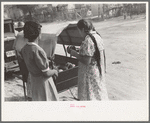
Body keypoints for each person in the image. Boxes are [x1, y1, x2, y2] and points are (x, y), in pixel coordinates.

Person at [67, 19, 109, 101]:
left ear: (82, 29)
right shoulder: (97, 36)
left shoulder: (88, 40)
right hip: (97, 71)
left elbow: (87, 61)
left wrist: (75, 54)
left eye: (79, 30)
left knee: (90, 96)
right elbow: (93, 53)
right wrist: (80, 50)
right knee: (98, 94)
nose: (79, 33)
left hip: (89, 74)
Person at [21, 21, 59, 101]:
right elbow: (47, 73)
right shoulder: (38, 50)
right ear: (38, 34)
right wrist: (55, 71)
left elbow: (32, 63)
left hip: (34, 82)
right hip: (43, 84)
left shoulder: (24, 49)